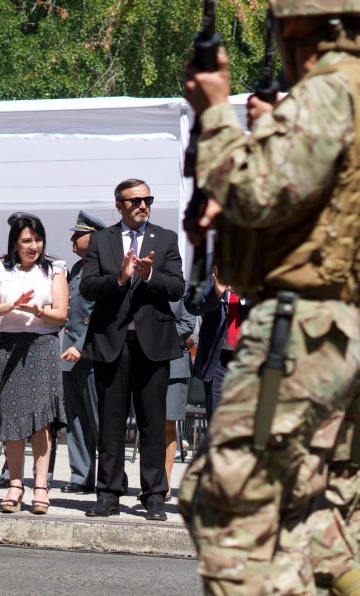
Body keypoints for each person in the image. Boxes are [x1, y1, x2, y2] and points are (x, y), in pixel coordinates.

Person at [182, 2, 360, 592]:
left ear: (299, 26)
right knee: (320, 510)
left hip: (307, 327)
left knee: (232, 495)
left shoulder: (332, 91)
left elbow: (258, 192)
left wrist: (214, 113)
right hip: (340, 330)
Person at [79, 178, 184, 522]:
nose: (142, 205)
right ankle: (108, 494)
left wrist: (151, 275)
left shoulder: (166, 238)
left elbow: (177, 288)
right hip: (112, 342)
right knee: (110, 422)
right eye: (135, 200)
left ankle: (154, 495)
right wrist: (121, 279)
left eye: (147, 199)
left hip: (153, 344)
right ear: (119, 205)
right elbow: (89, 288)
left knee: (153, 422)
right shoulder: (102, 240)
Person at [0, 214, 68, 514]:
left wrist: (38, 311)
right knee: (14, 418)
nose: (34, 246)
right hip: (9, 345)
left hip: (42, 345)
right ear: (15, 243)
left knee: (41, 420)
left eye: (38, 239)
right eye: (27, 240)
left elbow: (61, 315)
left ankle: (41, 485)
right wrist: (13, 305)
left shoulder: (55, 269)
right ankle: (15, 483)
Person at [59, 210, 107, 495]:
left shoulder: (104, 270)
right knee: (76, 418)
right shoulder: (76, 269)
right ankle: (81, 476)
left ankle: (110, 477)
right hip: (69, 353)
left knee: (100, 420)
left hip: (91, 355)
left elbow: (99, 315)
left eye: (79, 234)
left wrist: (82, 345)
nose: (73, 240)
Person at [186, 271, 245, 418]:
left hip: (251, 359)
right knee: (217, 427)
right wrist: (216, 294)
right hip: (218, 361)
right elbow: (191, 304)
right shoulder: (213, 263)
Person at [163, 299, 195, 500]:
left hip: (175, 363)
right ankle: (150, 478)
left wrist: (158, 333)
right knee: (150, 424)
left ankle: (164, 480)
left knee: (168, 423)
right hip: (145, 363)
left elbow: (189, 324)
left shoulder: (183, 290)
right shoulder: (144, 284)